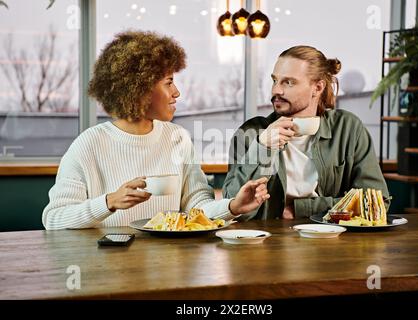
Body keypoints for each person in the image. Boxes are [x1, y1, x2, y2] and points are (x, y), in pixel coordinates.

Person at [42, 31, 269, 230]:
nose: (177, 92)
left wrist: (233, 206)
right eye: (169, 82)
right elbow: (54, 218)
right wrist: (109, 202)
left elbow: (197, 206)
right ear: (139, 88)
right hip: (108, 265)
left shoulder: (177, 138)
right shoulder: (89, 144)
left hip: (167, 264)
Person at [223, 45, 389, 220]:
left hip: (333, 241)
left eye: (288, 82)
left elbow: (377, 202)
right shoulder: (251, 133)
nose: (276, 90)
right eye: (275, 80)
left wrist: (300, 209)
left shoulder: (348, 128)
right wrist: (262, 147)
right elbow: (232, 210)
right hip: (268, 243)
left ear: (317, 88)